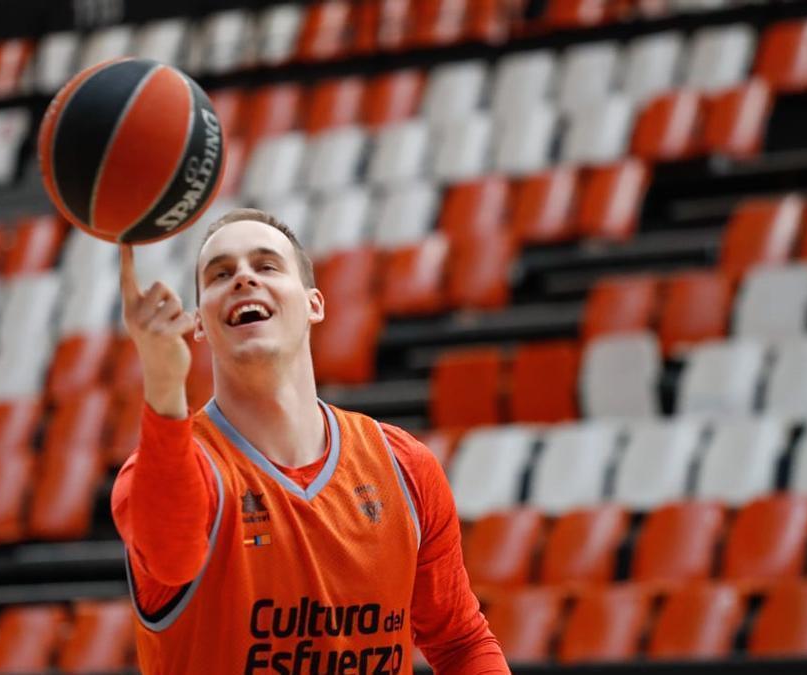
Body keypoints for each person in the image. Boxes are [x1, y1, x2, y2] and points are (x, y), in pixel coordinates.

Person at [111, 208, 509, 674]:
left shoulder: (404, 467)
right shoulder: (167, 471)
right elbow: (171, 559)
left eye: (266, 266)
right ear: (200, 325)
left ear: (314, 304)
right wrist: (162, 383)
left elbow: (461, 642)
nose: (242, 278)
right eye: (220, 273)